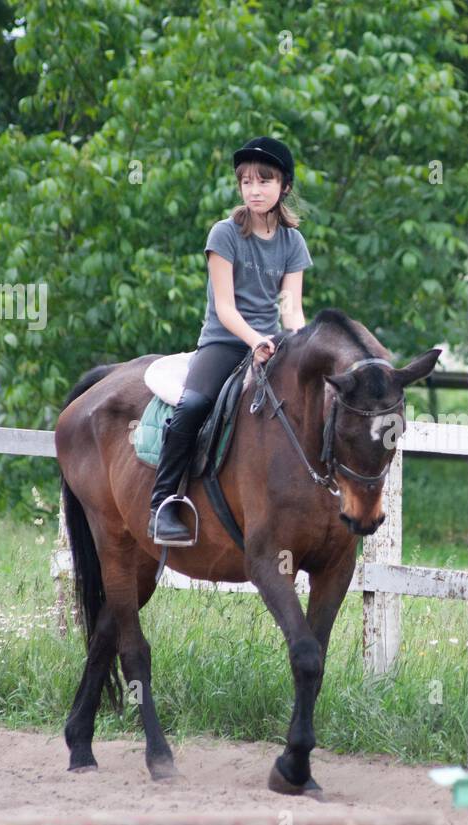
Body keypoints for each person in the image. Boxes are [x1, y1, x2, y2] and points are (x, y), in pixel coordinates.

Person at [148, 136, 314, 544]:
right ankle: (162, 504)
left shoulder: (294, 243)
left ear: (285, 186)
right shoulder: (224, 234)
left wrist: (302, 346)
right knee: (193, 405)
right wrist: (255, 340)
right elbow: (225, 308)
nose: (254, 190)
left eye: (265, 181)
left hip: (272, 343)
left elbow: (291, 309)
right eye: (246, 182)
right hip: (225, 342)